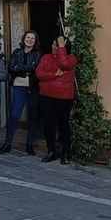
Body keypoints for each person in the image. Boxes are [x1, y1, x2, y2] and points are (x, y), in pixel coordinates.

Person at [36, 36, 78, 164]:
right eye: (53, 44)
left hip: (64, 98)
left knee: (63, 126)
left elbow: (63, 64)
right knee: (49, 125)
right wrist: (54, 75)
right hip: (46, 96)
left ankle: (65, 153)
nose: (54, 47)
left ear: (65, 47)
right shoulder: (46, 57)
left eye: (57, 45)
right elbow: (39, 73)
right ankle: (51, 151)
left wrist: (61, 48)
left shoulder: (72, 58)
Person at [0, 30, 42, 155]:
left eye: (32, 38)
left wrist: (20, 69)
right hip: (19, 87)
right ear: (24, 39)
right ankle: (7, 143)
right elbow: (11, 68)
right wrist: (24, 71)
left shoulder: (38, 53)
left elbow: (34, 68)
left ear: (35, 41)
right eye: (28, 37)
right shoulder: (16, 52)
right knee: (14, 115)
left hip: (33, 88)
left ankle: (29, 145)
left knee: (33, 116)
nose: (30, 40)